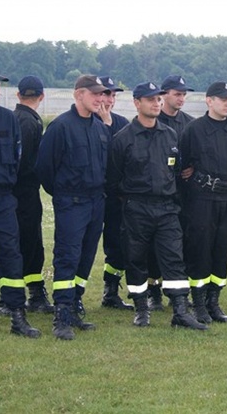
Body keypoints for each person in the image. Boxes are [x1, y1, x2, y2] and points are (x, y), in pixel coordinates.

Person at [106, 81, 207, 330]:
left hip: (167, 208)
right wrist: (131, 202)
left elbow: (176, 170)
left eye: (158, 99)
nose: (156, 103)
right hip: (136, 208)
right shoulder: (123, 139)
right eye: (150, 99)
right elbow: (113, 179)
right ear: (137, 103)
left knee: (174, 258)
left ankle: (180, 311)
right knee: (135, 259)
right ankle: (142, 309)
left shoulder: (170, 135)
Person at [36, 74, 110, 340]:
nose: (100, 99)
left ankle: (75, 304)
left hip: (96, 202)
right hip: (71, 202)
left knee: (86, 257)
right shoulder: (60, 127)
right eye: (95, 94)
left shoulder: (100, 128)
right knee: (67, 258)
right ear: (79, 94)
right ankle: (62, 314)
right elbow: (45, 169)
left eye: (102, 94)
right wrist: (63, 195)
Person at [0, 66, 41, 338]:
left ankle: (17, 314)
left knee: (11, 257)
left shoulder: (7, 119)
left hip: (3, 199)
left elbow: (17, 156)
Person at [179, 81, 227, 324]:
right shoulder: (194, 130)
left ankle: (213, 302)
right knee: (200, 250)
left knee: (222, 251)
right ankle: (198, 304)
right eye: (223, 99)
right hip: (201, 199)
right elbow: (182, 167)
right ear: (209, 101)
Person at [147, 74, 196, 310]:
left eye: (184, 94)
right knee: (154, 245)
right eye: (177, 94)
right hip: (160, 194)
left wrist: (193, 167)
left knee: (183, 244)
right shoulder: (153, 121)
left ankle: (178, 291)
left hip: (185, 194)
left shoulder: (190, 123)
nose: (181, 98)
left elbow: (197, 153)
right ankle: (153, 290)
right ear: (163, 95)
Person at [13, 76, 53, 314]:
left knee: (19, 243)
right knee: (30, 243)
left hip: (12, 191)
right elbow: (28, 162)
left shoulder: (13, 118)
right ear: (42, 96)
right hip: (25, 191)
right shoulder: (31, 122)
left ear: (18, 95)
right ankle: (33, 295)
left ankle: (17, 294)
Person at [94, 76, 133, 310]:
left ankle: (111, 291)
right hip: (89, 196)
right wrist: (105, 125)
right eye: (105, 94)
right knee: (81, 245)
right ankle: (72, 296)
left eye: (113, 95)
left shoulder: (122, 123)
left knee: (117, 245)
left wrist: (109, 124)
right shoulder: (86, 121)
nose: (109, 100)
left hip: (116, 198)